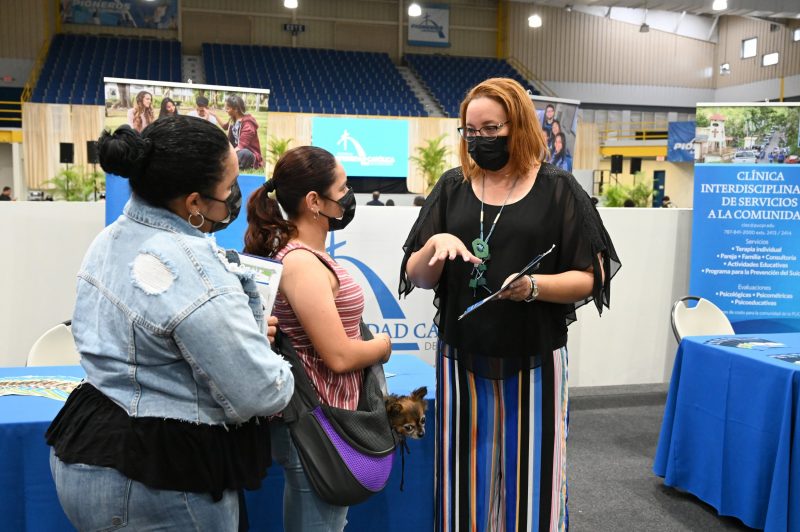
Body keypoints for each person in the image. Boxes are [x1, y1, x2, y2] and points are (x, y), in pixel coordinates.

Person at [46, 116, 294, 531]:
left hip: (89, 446)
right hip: (157, 478)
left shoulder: (110, 238)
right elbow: (261, 391)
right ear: (194, 202)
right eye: (230, 184)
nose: (236, 195)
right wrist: (268, 359)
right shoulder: (194, 270)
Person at [399, 77, 620, 532]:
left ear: (517, 126)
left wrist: (534, 286)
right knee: (461, 480)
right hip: (462, 357)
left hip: (535, 357)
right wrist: (434, 245)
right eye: (470, 130)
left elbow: (591, 276)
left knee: (534, 479)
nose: (479, 139)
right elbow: (416, 276)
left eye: (490, 129)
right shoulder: (452, 187)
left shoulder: (559, 189)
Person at [243, 145, 392, 531]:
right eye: (342, 189)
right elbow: (338, 356)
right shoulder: (301, 263)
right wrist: (382, 346)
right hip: (316, 422)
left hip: (330, 418)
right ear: (314, 201)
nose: (348, 196)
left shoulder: (308, 256)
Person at [222, 95, 263, 170]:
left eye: (227, 108)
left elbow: (241, 146)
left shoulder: (248, 125)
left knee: (244, 153)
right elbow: (224, 127)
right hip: (237, 150)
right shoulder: (233, 120)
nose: (226, 110)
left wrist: (226, 156)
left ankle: (228, 163)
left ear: (236, 109)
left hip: (248, 153)